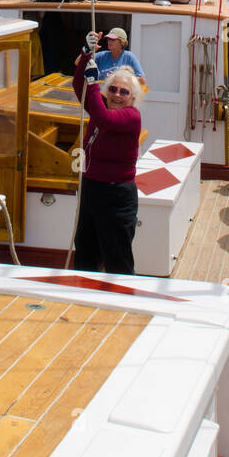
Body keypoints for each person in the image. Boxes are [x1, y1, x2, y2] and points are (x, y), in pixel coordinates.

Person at [72, 32, 142, 275]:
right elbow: (79, 86)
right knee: (84, 253)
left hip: (117, 196)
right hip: (91, 188)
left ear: (132, 98)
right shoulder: (99, 104)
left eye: (124, 92)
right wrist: (85, 54)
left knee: (118, 259)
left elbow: (103, 118)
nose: (117, 95)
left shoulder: (131, 116)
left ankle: (121, 305)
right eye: (113, 89)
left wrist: (94, 85)